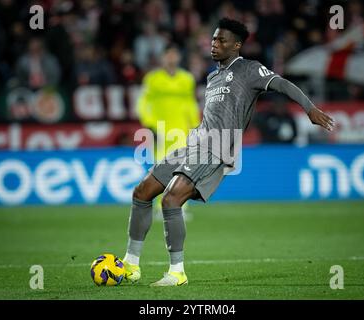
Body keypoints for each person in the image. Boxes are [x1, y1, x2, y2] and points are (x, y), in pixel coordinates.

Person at [121, 18, 334, 287]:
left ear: (236, 45)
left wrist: (309, 108)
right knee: (142, 191)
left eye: (221, 40)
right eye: (212, 39)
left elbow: (282, 84)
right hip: (193, 142)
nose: (214, 44)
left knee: (171, 200)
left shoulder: (249, 69)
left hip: (217, 146)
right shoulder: (212, 76)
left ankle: (177, 273)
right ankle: (131, 265)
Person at [137, 44, 200, 219]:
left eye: (174, 54)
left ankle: (178, 208)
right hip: (160, 131)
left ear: (178, 57)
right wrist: (149, 124)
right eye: (168, 54)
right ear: (162, 57)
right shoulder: (153, 79)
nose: (171, 58)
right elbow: (143, 103)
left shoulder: (187, 79)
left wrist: (196, 126)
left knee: (184, 171)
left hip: (181, 131)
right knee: (161, 172)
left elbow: (190, 105)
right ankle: (160, 208)